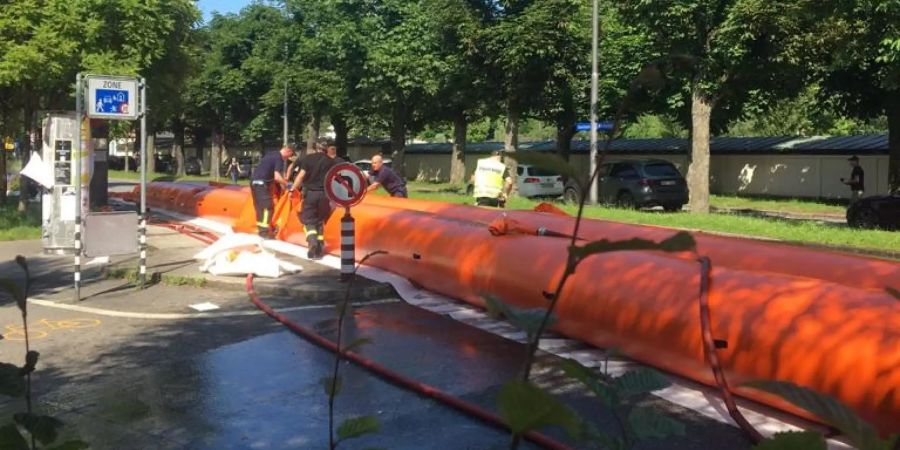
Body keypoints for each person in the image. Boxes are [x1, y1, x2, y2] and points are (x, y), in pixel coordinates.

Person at [290, 138, 339, 259]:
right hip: (325, 195)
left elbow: (301, 176)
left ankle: (312, 242)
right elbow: (335, 180)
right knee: (320, 220)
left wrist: (292, 189)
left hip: (310, 194)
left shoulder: (308, 159)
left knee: (308, 220)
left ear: (316, 147)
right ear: (326, 148)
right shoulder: (331, 162)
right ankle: (319, 248)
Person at [250, 146, 293, 238]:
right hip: (262, 183)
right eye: (290, 155)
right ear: (287, 151)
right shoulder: (279, 158)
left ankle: (261, 229)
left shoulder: (271, 154)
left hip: (254, 182)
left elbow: (271, 175)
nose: (288, 158)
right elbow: (277, 177)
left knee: (259, 207)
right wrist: (288, 185)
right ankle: (264, 232)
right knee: (268, 207)